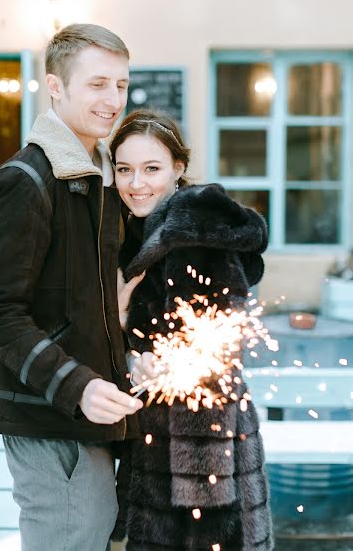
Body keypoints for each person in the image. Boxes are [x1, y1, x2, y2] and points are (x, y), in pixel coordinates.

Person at [0, 24, 143, 551]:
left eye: (121, 84)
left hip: (93, 414)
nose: (113, 100)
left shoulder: (96, 177)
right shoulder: (27, 181)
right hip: (50, 415)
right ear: (56, 86)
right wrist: (77, 386)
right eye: (97, 85)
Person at [111, 109, 273, 551]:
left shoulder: (194, 235)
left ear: (178, 169)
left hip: (202, 456)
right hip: (157, 447)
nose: (136, 183)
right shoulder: (135, 234)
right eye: (124, 169)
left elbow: (222, 345)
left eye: (151, 169)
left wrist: (205, 492)